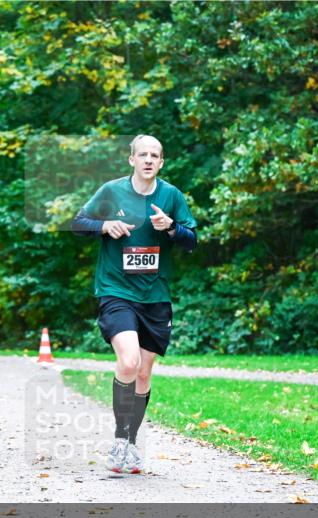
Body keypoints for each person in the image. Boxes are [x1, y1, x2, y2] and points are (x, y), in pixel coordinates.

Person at [71, 135, 197, 474]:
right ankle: (118, 440)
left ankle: (130, 442)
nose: (148, 160)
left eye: (155, 155)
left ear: (161, 162)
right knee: (127, 362)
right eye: (142, 154)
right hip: (116, 290)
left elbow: (191, 240)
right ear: (131, 159)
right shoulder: (112, 191)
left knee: (143, 371)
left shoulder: (171, 196)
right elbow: (77, 223)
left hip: (155, 297)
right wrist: (103, 225)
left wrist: (171, 228)